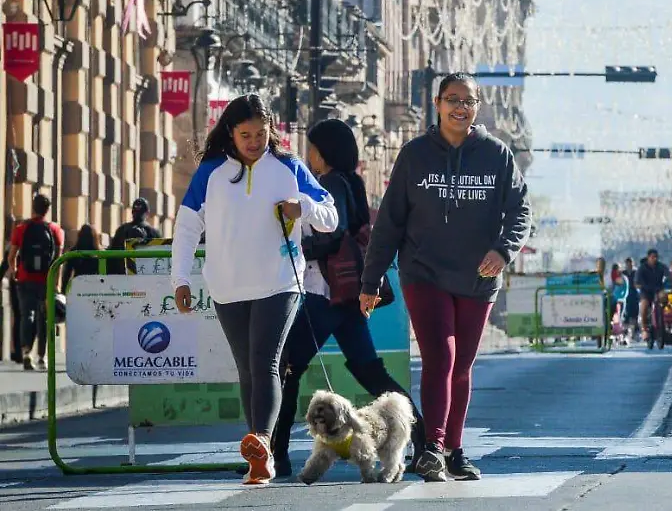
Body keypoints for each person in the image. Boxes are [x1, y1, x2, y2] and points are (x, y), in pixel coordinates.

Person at [360, 73, 531, 483]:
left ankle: (455, 450)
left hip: (478, 276)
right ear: (437, 104)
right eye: (452, 99)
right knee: (442, 358)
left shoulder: (496, 155)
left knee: (463, 367)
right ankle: (433, 447)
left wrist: (503, 250)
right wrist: (370, 281)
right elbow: (389, 222)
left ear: (477, 106)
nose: (460, 107)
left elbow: (521, 212)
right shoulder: (415, 155)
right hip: (425, 272)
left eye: (468, 101)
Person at [171, 94, 338, 486]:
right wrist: (180, 278)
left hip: (279, 281)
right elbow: (186, 228)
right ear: (230, 131)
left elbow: (330, 216)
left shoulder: (288, 167)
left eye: (261, 134)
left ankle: (262, 443)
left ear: (271, 131)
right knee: (247, 368)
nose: (253, 141)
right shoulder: (210, 172)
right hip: (227, 286)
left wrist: (304, 208)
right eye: (245, 134)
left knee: (265, 361)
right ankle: (258, 454)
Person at [272, 118, 425, 478]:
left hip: (325, 293)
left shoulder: (330, 183)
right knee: (370, 372)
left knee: (286, 369)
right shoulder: (353, 183)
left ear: (324, 151)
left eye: (311, 147)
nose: (308, 155)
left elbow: (333, 232)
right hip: (348, 294)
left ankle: (275, 456)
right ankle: (423, 437)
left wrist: (298, 249)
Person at [6, 194, 65, 372]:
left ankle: (26, 353)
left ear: (33, 207)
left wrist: (15, 270)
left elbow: (12, 256)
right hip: (46, 280)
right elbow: (59, 259)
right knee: (45, 318)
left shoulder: (22, 228)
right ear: (47, 209)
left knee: (27, 315)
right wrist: (56, 282)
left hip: (25, 278)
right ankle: (41, 357)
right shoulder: (55, 230)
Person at [106, 198, 162, 274]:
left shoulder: (121, 230)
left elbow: (111, 255)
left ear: (132, 212)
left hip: (121, 277)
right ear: (147, 213)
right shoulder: (154, 233)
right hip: (147, 276)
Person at [635, 248, 668, 338]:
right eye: (652, 257)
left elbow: (668, 275)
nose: (655, 259)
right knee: (644, 305)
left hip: (658, 290)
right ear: (648, 257)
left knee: (664, 297)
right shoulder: (642, 268)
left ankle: (663, 318)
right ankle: (645, 329)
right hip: (646, 291)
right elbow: (637, 281)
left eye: (656, 257)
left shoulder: (661, 266)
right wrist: (639, 285)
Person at [61, 225, 102, 289]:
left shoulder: (74, 253)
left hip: (78, 284)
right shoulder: (100, 253)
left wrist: (63, 289)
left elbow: (67, 274)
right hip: (94, 286)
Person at [621, 257, 638, 335]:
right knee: (625, 315)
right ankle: (625, 333)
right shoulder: (623, 273)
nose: (629, 265)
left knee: (634, 315)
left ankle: (634, 332)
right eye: (627, 264)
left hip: (634, 295)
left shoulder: (636, 272)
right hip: (625, 296)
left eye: (630, 263)